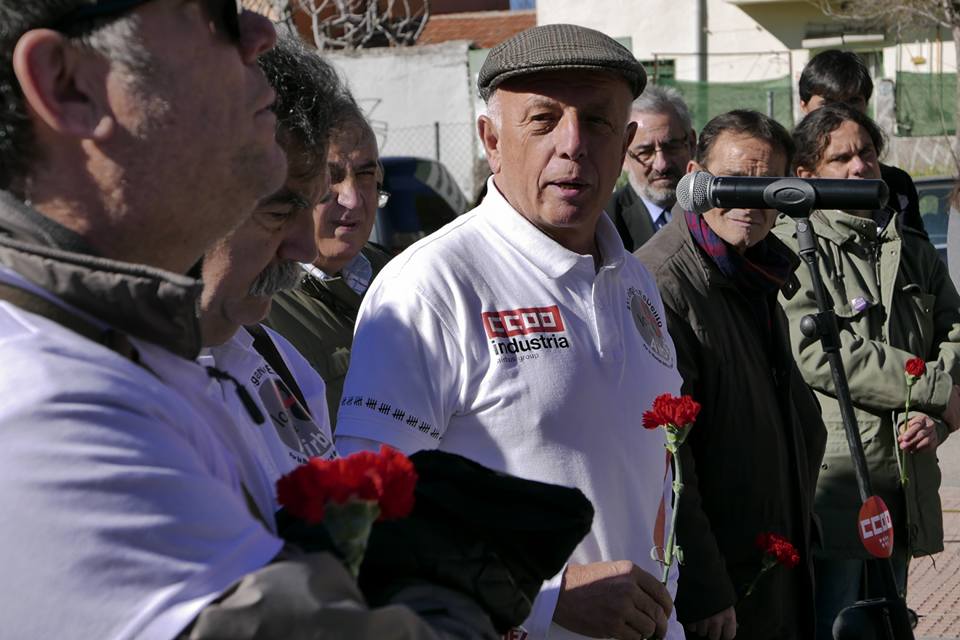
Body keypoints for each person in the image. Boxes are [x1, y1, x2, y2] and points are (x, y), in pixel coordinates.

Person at [0, 4, 493, 639]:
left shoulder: (173, 349)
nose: (260, 32)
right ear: (68, 83)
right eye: (211, 12)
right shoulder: (37, 400)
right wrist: (455, 591)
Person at [335, 23, 684, 640]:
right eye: (544, 120)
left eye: (597, 121)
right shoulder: (430, 285)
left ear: (626, 141)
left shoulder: (637, 281)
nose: (572, 144)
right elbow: (362, 512)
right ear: (491, 140)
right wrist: (544, 598)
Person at [635, 110, 826, 640]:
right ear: (695, 178)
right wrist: (703, 588)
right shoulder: (664, 284)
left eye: (766, 185)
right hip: (723, 598)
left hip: (772, 573)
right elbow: (671, 461)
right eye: (733, 181)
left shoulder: (758, 270)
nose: (749, 199)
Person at [773, 103, 960, 640]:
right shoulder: (794, 247)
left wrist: (937, 420)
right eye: (842, 158)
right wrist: (931, 387)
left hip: (904, 479)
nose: (861, 167)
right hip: (836, 487)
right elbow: (822, 353)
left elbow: (954, 332)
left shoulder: (913, 248)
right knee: (835, 622)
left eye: (869, 154)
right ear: (805, 175)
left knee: (889, 622)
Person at [197, 35, 344, 526]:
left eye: (313, 205)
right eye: (280, 210)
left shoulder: (283, 366)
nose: (305, 248)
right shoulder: (80, 388)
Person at [267, 98, 392, 429]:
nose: (352, 198)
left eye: (365, 174)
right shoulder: (254, 305)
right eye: (330, 176)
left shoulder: (404, 275)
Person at [798, 48, 925, 235]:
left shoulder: (896, 186)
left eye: (853, 101)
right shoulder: (780, 185)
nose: (841, 112)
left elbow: (918, 257)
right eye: (827, 103)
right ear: (804, 105)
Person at [606, 84, 696, 251]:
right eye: (645, 152)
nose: (661, 164)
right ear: (623, 155)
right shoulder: (605, 224)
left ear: (691, 144)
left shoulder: (716, 211)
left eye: (672, 147)